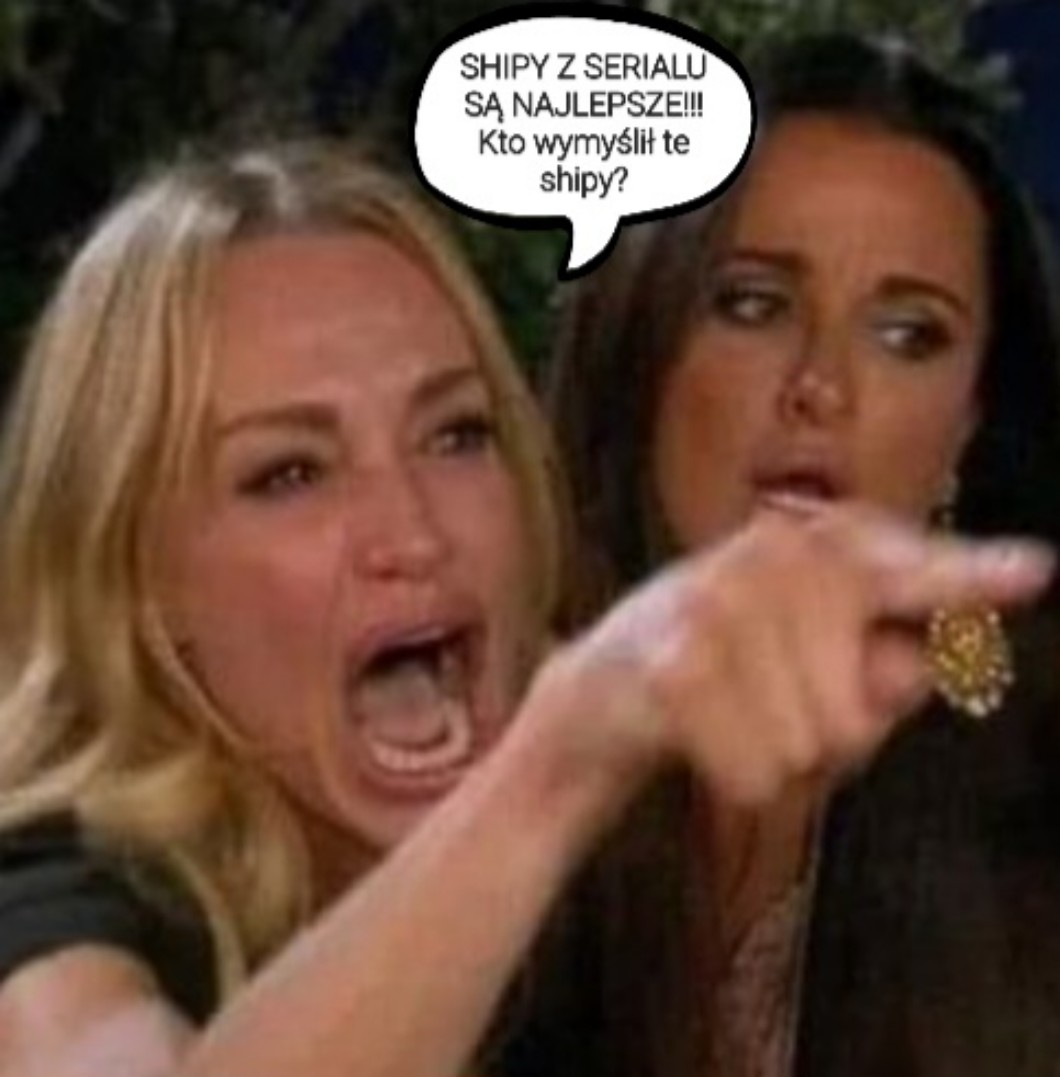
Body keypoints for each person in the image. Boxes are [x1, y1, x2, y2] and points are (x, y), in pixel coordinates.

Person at [0, 137, 1051, 1077]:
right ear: (134, 577)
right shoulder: (62, 892)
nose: (414, 533)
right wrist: (556, 765)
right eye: (289, 474)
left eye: (456, 434)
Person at [546, 31, 1060, 1077]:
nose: (821, 386)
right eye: (754, 305)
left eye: (908, 335)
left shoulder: (1037, 785)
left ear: (967, 424)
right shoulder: (473, 752)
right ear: (642, 343)